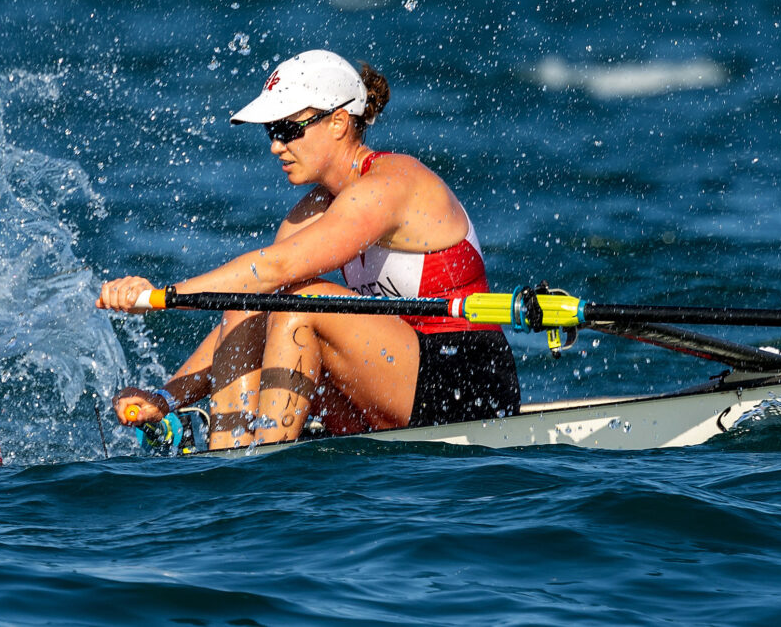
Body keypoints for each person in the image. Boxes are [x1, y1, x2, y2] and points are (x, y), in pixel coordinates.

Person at [97, 49, 521, 449]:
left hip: (467, 382)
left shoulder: (392, 183)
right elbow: (250, 299)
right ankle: (228, 460)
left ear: (338, 123)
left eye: (287, 130)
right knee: (252, 303)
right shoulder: (314, 209)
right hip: (394, 381)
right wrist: (165, 397)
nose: (275, 146)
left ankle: (263, 462)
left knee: (303, 302)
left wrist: (160, 298)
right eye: (271, 131)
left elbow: (274, 268)